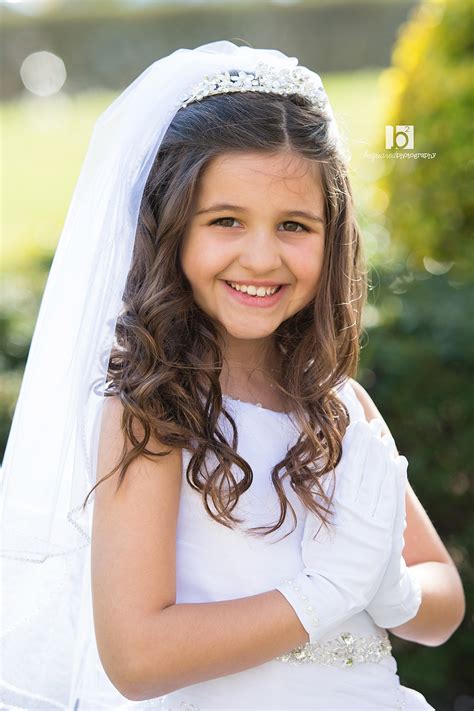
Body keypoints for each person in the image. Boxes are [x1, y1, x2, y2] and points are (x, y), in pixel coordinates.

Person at [0, 40, 465, 710]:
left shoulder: (342, 406)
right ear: (171, 231)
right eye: (226, 221)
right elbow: (136, 656)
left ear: (332, 237)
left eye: (295, 225)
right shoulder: (154, 408)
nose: (261, 255)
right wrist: (324, 592)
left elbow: (441, 598)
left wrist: (391, 585)